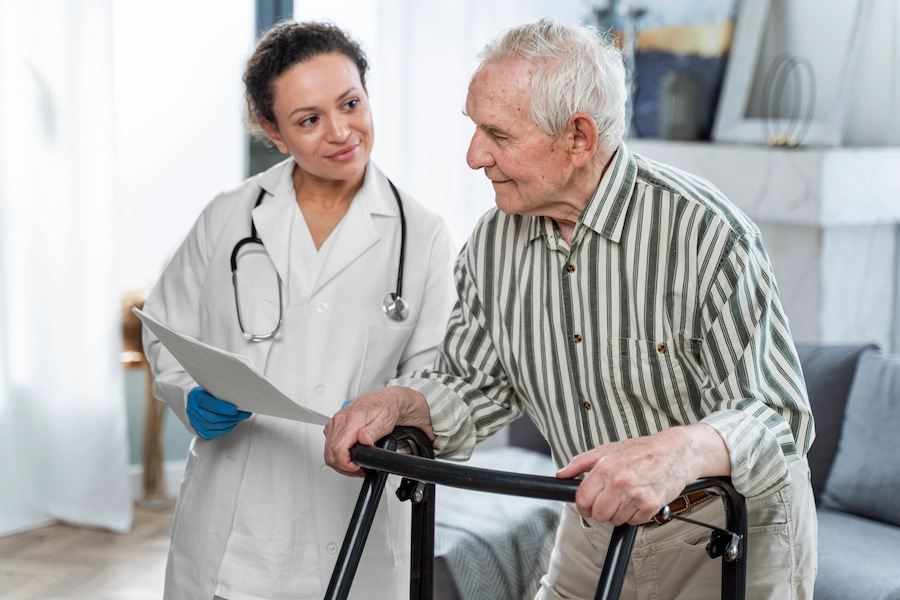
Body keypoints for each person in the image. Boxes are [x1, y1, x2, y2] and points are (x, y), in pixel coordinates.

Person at [324, 17, 817, 600]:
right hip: (593, 528)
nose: (474, 155)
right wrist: (403, 401)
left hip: (723, 529)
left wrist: (680, 451)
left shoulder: (705, 232)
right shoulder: (493, 242)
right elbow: (474, 384)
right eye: (474, 127)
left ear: (578, 138)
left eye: (497, 134)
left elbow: (779, 414)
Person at [142, 21, 456, 600]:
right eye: (309, 120)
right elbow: (166, 331)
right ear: (274, 132)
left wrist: (389, 414)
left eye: (350, 104)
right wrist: (189, 395)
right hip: (233, 526)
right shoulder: (228, 216)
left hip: (352, 513)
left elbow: (436, 376)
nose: (340, 132)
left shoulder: (423, 234)